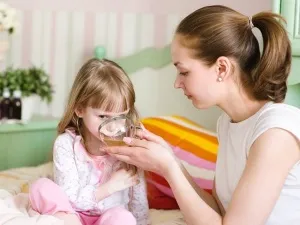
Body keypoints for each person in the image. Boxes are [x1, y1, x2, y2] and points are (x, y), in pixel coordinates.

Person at [104, 5, 300, 225]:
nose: (177, 83)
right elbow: (217, 209)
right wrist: (173, 162)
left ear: (222, 68)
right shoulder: (227, 123)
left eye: (184, 71)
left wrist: (168, 169)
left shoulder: (275, 132)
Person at [28, 58, 149, 225]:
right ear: (80, 109)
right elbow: (69, 198)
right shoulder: (66, 145)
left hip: (109, 217)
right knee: (40, 187)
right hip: (72, 214)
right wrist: (110, 186)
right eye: (103, 117)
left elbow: (138, 198)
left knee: (124, 218)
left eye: (120, 117)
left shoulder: (129, 147)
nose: (113, 127)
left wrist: (142, 222)